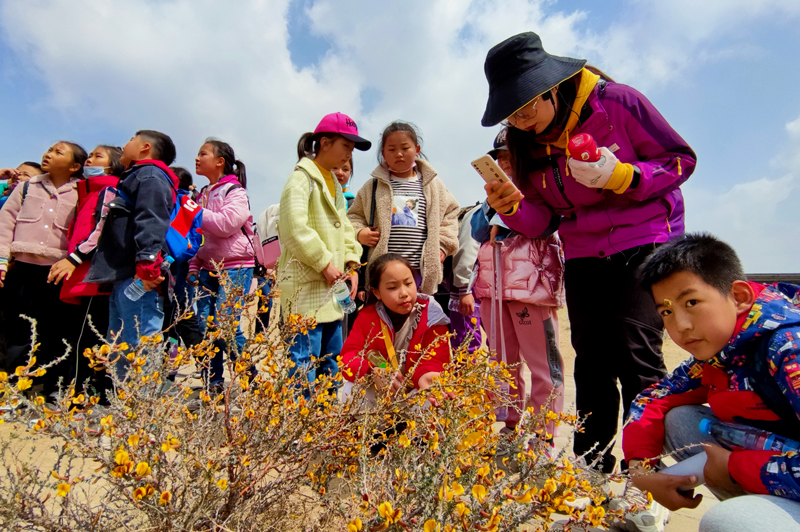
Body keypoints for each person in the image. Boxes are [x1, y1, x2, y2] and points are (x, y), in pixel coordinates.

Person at [480, 31, 696, 473]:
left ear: (551, 86)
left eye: (526, 107)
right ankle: (591, 469)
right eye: (511, 113)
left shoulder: (617, 103)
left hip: (646, 242)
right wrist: (514, 208)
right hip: (582, 254)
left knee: (635, 354)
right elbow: (545, 222)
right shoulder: (526, 143)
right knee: (591, 363)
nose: (520, 121)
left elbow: (680, 160)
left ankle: (649, 474)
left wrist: (624, 176)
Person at [624, 233, 800, 532]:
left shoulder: (788, 349)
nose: (680, 325)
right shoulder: (724, 351)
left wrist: (734, 468)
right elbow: (652, 398)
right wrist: (641, 470)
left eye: (691, 302)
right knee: (678, 419)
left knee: (727, 523)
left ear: (739, 297)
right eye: (666, 311)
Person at [471, 128, 566, 439]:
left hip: (530, 293)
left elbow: (544, 226)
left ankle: (544, 436)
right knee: (502, 363)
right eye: (499, 159)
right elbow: (476, 232)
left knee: (543, 366)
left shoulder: (544, 193)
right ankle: (508, 425)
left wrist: (512, 206)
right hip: (493, 293)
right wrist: (491, 203)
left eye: (511, 158)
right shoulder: (488, 203)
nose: (504, 164)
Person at [277, 112, 368, 394]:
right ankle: (300, 425)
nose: (348, 155)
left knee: (332, 357)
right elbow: (293, 227)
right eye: (346, 147)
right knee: (303, 358)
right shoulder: (301, 178)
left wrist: (352, 263)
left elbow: (345, 230)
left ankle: (326, 421)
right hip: (307, 284)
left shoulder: (334, 186)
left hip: (331, 285)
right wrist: (324, 262)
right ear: (325, 143)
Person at [84, 130, 178, 379]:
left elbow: (151, 217)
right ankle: (126, 406)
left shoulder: (150, 175)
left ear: (145, 147)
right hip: (125, 274)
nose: (123, 145)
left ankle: (142, 409)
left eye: (129, 140)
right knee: (120, 343)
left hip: (139, 274)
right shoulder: (135, 176)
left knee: (139, 342)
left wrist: (147, 261)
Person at [0, 141, 87, 397]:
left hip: (56, 273)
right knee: (18, 332)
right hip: (22, 271)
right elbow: (6, 223)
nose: (48, 154)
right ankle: (15, 391)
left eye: (58, 152)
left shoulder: (81, 192)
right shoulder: (27, 187)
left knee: (56, 332)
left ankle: (53, 391)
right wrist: (2, 259)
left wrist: (73, 260)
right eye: (49, 150)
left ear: (74, 166)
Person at [348, 121, 460, 296]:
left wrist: (442, 246)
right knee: (384, 319)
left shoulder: (433, 185)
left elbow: (451, 213)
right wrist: (360, 233)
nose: (399, 154)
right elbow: (353, 217)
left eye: (405, 148)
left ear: (416, 149)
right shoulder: (373, 186)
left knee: (420, 319)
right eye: (391, 149)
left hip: (420, 271)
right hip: (384, 271)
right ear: (383, 153)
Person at [46, 145, 123, 398]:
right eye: (90, 155)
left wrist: (74, 258)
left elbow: (100, 231)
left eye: (98, 157)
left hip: (92, 275)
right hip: (86, 274)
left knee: (86, 339)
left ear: (112, 166)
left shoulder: (108, 190)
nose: (90, 159)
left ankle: (80, 399)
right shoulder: (88, 192)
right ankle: (93, 395)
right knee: (88, 337)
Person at [187, 139, 255, 391]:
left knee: (227, 326)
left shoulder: (235, 192)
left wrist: (193, 210)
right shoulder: (203, 193)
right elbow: (197, 235)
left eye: (202, 153)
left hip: (235, 266)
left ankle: (251, 378)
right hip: (207, 267)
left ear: (219, 162)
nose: (196, 157)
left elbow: (226, 225)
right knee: (206, 325)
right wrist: (195, 265)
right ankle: (213, 383)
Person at [340, 253, 450, 400]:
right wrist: (372, 371)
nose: (404, 293)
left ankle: (414, 423)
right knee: (350, 390)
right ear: (376, 292)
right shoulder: (367, 318)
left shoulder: (432, 317)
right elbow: (347, 357)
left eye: (408, 283)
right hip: (383, 392)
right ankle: (374, 423)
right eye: (392, 287)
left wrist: (427, 375)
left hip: (415, 393)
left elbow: (436, 360)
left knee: (436, 400)